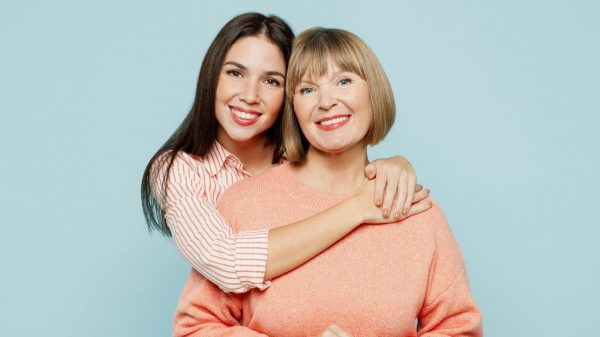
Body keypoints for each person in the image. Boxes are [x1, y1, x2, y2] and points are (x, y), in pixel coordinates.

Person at [172, 27, 482, 336]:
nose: (326, 101)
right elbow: (196, 328)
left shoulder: (416, 211)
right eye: (307, 90)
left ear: (374, 92)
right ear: (293, 108)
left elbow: (459, 328)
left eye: (344, 81)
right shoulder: (243, 203)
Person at [141, 13, 431, 294]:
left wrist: (393, 164)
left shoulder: (301, 155)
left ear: (289, 94)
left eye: (271, 81)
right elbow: (227, 263)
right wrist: (358, 209)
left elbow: (349, 161)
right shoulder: (177, 169)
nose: (250, 95)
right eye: (235, 73)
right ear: (210, 77)